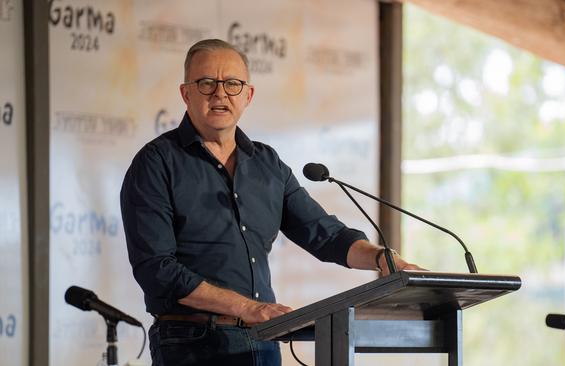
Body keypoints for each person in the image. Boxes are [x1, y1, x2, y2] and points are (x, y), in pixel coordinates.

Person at [120, 38, 422, 366]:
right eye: (207, 83)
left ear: (248, 95)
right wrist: (247, 307)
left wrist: (381, 258)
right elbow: (156, 270)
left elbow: (326, 235)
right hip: (192, 343)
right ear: (186, 93)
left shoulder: (267, 164)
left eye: (232, 84)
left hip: (263, 340)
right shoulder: (156, 163)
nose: (220, 93)